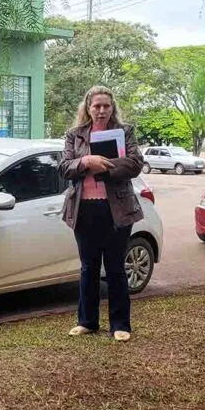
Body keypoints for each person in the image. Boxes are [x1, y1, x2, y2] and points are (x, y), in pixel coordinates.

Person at [58, 86, 144, 342]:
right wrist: (85, 162)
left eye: (106, 106)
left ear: (112, 107)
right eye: (97, 106)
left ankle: (120, 324)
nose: (102, 110)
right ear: (88, 108)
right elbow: (64, 167)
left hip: (116, 209)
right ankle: (87, 321)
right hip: (84, 209)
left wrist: (103, 166)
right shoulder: (75, 135)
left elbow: (135, 163)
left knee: (116, 268)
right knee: (88, 268)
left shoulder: (125, 131)